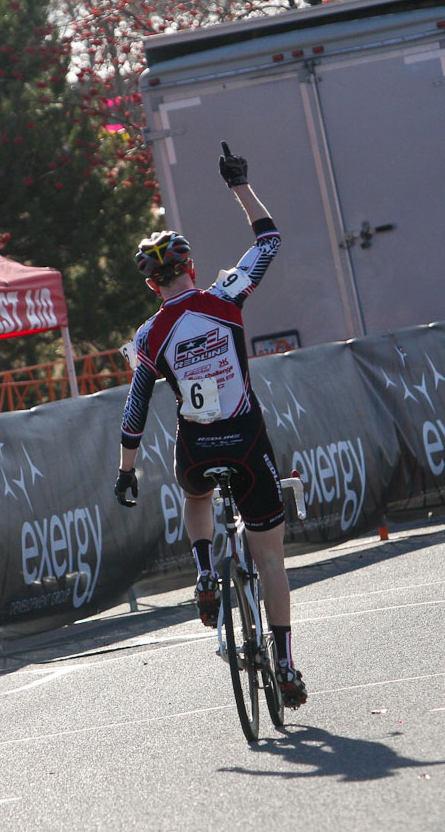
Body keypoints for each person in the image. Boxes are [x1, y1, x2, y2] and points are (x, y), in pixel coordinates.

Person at [113, 143, 306, 709]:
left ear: (153, 285)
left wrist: (126, 473)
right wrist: (238, 185)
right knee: (270, 558)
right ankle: (288, 663)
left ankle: (202, 571)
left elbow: (137, 406)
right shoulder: (224, 296)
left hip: (197, 446)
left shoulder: (150, 334)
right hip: (246, 441)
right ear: (190, 269)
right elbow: (269, 242)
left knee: (194, 492)